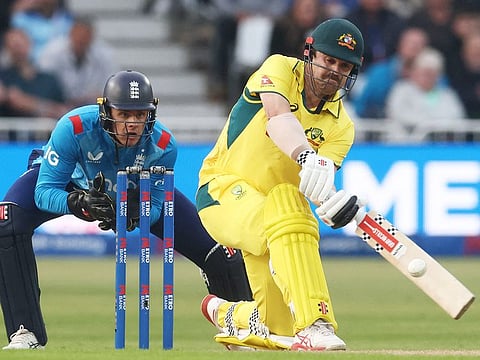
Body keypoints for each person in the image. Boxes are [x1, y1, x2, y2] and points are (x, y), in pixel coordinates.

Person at [0, 70, 252, 350]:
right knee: (6, 222)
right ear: (106, 111)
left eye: (139, 115)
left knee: (222, 252)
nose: (132, 124)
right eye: (123, 115)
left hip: (134, 189)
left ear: (150, 114)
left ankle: (242, 335)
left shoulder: (164, 144)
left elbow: (156, 207)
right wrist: (79, 203)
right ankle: (26, 334)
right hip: (75, 181)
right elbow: (44, 192)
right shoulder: (74, 127)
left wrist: (137, 213)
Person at [196, 18, 365, 351]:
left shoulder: (341, 127)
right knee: (289, 205)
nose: (333, 71)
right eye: (328, 60)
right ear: (310, 54)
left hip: (275, 216)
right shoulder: (280, 69)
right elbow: (278, 117)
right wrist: (306, 155)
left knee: (276, 329)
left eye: (343, 66)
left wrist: (332, 203)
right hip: (223, 190)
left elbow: (315, 183)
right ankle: (316, 322)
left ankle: (226, 312)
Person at [37, 15, 119, 108]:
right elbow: (42, 84)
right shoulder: (52, 52)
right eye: (78, 37)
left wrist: (91, 98)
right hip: (57, 104)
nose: (81, 40)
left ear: (92, 37)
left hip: (92, 104)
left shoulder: (105, 55)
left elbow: (112, 89)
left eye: (85, 37)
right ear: (70, 34)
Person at [353, 26, 429, 118]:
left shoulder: (433, 74)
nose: (414, 47)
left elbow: (439, 99)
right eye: (411, 43)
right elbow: (362, 105)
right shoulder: (379, 72)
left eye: (419, 44)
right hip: (381, 126)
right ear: (399, 45)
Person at [385, 47, 466, 129]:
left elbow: (457, 117)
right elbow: (398, 114)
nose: (428, 77)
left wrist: (434, 125)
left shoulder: (447, 95)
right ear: (415, 72)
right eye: (425, 73)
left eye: (432, 74)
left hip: (439, 139)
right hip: (403, 140)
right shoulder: (401, 90)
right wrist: (428, 124)